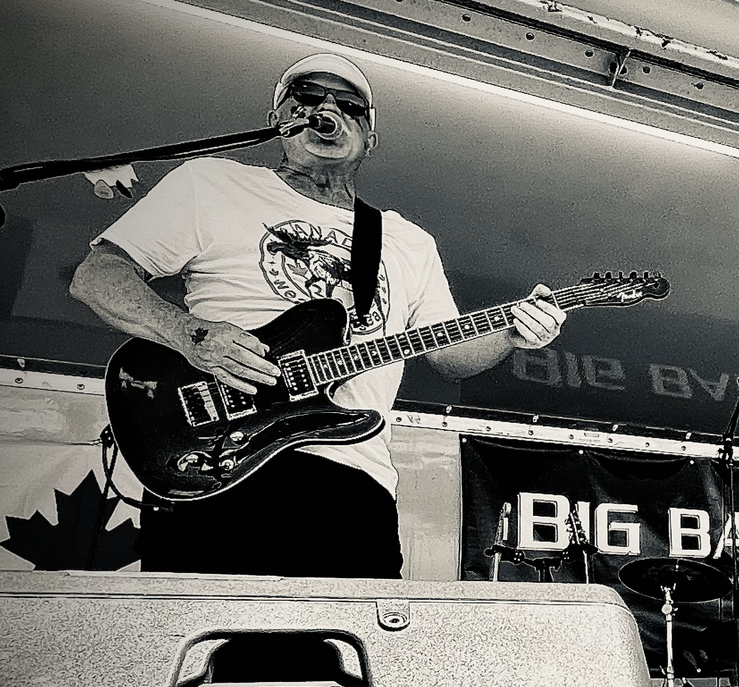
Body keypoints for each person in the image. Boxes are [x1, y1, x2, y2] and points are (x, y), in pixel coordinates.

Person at [69, 54, 566, 578]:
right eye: (307, 97)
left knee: (350, 631)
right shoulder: (210, 183)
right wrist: (189, 335)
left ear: (370, 138)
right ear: (278, 118)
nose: (327, 108)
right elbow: (97, 276)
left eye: (350, 105)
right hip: (222, 458)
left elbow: (450, 357)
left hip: (351, 481)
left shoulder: (408, 240)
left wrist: (513, 333)